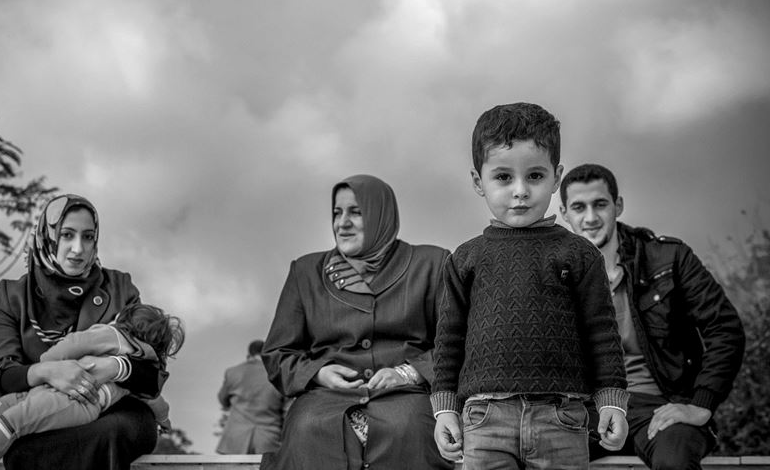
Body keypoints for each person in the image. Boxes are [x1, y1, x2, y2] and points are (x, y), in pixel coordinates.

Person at [431, 103, 629, 469]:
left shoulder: (579, 254)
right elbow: (449, 340)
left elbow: (601, 333)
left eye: (535, 176)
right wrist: (445, 409)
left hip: (562, 418)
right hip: (483, 420)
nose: (520, 191)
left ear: (556, 178)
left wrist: (612, 400)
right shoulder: (466, 258)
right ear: (479, 182)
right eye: (503, 177)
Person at [0, 194, 166, 470]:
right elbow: (1, 376)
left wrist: (114, 367)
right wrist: (49, 371)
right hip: (38, 414)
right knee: (26, 445)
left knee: (123, 428)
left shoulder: (120, 287)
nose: (78, 249)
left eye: (88, 237)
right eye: (67, 235)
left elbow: (152, 375)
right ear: (49, 236)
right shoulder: (13, 295)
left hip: (108, 410)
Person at [559, 163, 746, 470]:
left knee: (675, 462)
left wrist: (700, 404)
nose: (590, 218)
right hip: (589, 413)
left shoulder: (668, 258)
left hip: (660, 410)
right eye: (579, 207)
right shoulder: (555, 274)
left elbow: (724, 328)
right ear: (565, 213)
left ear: (618, 205)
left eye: (600, 204)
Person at [261, 174, 452, 470]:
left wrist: (408, 373)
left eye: (356, 212)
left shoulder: (431, 263)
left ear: (381, 215)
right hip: (323, 401)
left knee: (410, 428)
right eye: (337, 213)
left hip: (407, 398)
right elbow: (278, 353)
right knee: (307, 429)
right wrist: (318, 373)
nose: (342, 223)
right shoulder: (306, 272)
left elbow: (455, 342)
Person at [0, 303, 184, 470]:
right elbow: (156, 401)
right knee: (7, 408)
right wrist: (164, 421)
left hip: (74, 400)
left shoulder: (112, 335)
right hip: (65, 397)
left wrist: (49, 362)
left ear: (123, 321)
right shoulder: (143, 366)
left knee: (13, 416)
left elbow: (76, 342)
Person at [216, 340, 286, 455]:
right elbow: (287, 411)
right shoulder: (278, 375)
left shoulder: (233, 372)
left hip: (235, 441)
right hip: (268, 441)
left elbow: (223, 400)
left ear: (249, 355)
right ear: (267, 354)